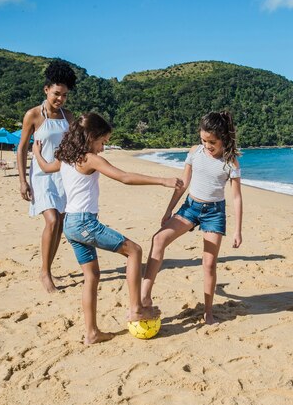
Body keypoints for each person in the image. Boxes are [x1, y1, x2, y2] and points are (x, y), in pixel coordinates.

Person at [33, 112, 182, 344]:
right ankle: (136, 309)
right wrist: (162, 180)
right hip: (84, 222)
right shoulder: (89, 158)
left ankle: (92, 333)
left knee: (91, 276)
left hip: (70, 224)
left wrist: (35, 153)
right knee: (134, 250)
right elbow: (124, 177)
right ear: (91, 137)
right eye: (102, 142)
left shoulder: (65, 157)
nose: (102, 148)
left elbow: (45, 166)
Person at [141, 111, 243, 325]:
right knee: (158, 239)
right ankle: (144, 296)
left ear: (223, 138)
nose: (207, 145)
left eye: (212, 142)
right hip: (190, 207)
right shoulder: (195, 152)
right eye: (203, 140)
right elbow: (183, 183)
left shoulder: (230, 162)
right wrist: (169, 210)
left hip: (214, 213)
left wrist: (237, 230)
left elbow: (236, 197)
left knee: (209, 263)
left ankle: (208, 312)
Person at [17, 60, 76, 293]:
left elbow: (75, 145)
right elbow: (22, 148)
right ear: (46, 90)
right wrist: (22, 180)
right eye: (56, 93)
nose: (59, 99)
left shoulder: (68, 116)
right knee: (51, 220)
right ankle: (45, 273)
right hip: (41, 176)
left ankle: (48, 267)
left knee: (60, 224)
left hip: (63, 176)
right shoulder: (33, 115)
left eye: (64, 95)